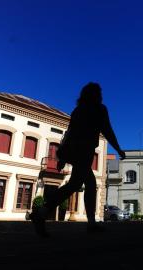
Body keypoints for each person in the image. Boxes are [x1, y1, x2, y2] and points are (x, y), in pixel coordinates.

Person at [29, 82, 125, 237]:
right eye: (99, 92)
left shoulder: (77, 110)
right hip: (84, 150)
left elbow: (69, 133)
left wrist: (62, 156)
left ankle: (44, 212)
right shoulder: (99, 109)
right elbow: (108, 130)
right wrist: (118, 148)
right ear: (95, 94)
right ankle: (44, 212)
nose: (101, 95)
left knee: (79, 183)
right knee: (81, 184)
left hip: (72, 151)